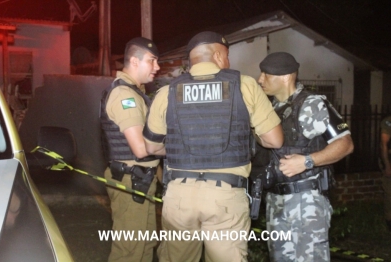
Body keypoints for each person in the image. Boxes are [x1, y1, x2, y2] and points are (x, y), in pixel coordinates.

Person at [142, 31, 283, 262]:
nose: (229, 62)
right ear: (218, 56)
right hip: (225, 196)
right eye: (227, 56)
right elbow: (274, 140)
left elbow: (150, 147)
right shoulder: (244, 85)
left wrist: (186, 148)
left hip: (179, 197)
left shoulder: (167, 92)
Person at [257, 52, 354, 261]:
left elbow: (345, 144)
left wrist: (307, 161)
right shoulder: (271, 108)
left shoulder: (312, 104)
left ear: (286, 76)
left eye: (266, 74)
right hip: (275, 201)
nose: (260, 79)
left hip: (306, 202)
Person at [99, 37, 161, 262]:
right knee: (129, 249)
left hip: (139, 179)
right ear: (135, 61)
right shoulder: (125, 96)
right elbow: (141, 148)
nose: (157, 67)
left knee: (145, 245)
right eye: (152, 61)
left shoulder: (135, 93)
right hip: (131, 181)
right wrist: (177, 147)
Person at [379, 116, 391, 231]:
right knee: (389, 192)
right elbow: (384, 145)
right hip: (390, 160)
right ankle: (389, 220)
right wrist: (387, 165)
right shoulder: (388, 122)